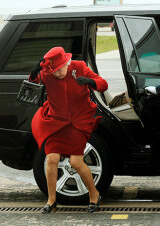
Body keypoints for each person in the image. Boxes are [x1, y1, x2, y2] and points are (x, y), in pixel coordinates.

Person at [29, 46, 108, 213]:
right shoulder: (47, 73)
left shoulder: (79, 67)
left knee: (76, 162)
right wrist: (35, 71)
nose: (57, 74)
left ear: (67, 62)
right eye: (54, 71)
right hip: (56, 122)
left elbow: (103, 85)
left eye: (60, 69)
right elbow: (32, 82)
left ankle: (94, 194)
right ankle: (51, 200)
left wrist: (90, 82)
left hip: (78, 122)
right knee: (51, 159)